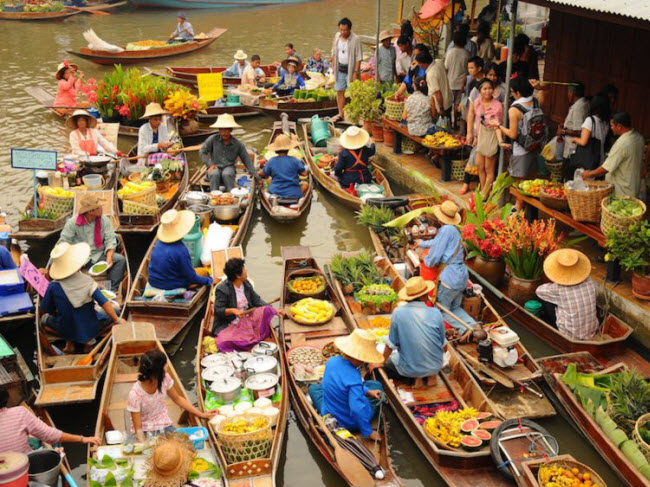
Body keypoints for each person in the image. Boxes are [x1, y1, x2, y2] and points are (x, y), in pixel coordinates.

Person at [40, 242, 125, 353]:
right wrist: (117, 320)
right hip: (89, 327)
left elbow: (47, 309)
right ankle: (89, 343)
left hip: (65, 327)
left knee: (45, 319)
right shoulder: (87, 282)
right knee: (115, 311)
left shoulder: (53, 286)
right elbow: (104, 303)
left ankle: (70, 343)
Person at [308, 329, 385, 441]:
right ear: (359, 358)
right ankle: (361, 426)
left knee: (313, 388)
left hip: (330, 413)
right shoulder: (354, 378)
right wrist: (368, 432)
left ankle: (325, 413)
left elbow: (343, 385)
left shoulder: (331, 361)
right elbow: (356, 409)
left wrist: (368, 391)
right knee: (376, 385)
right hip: (349, 422)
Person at [128, 350, 215, 440]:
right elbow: (138, 429)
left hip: (163, 425)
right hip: (146, 430)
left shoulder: (164, 379)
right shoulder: (135, 394)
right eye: (165, 364)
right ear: (159, 370)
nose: (167, 366)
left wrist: (201, 414)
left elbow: (177, 399)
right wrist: (143, 444)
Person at [376, 276, 446, 387]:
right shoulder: (436, 312)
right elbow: (443, 344)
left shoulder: (398, 313)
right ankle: (430, 376)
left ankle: (415, 379)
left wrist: (380, 362)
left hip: (411, 369)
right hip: (435, 366)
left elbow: (391, 344)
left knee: (388, 365)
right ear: (425, 295)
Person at [418, 201, 475, 333]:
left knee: (442, 310)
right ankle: (474, 325)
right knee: (455, 308)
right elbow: (437, 242)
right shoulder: (454, 230)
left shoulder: (445, 230)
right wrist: (423, 243)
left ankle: (465, 330)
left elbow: (433, 260)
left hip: (450, 278)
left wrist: (424, 258)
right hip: (461, 277)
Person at [0, 386, 100, 454]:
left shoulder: (20, 413)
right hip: (26, 470)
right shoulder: (20, 412)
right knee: (37, 441)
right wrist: (83, 439)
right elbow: (50, 435)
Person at [59, 193, 125, 292]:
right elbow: (63, 243)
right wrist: (73, 263)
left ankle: (111, 290)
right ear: (91, 211)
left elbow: (110, 239)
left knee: (120, 260)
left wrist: (109, 258)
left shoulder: (104, 220)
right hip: (78, 258)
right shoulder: (72, 223)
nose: (102, 209)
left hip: (97, 255)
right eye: (99, 208)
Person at [536, 249, 598, 340]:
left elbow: (539, 291)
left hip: (570, 334)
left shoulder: (558, 289)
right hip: (592, 331)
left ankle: (552, 326)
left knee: (547, 300)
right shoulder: (590, 282)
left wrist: (554, 283)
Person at [582, 112, 645, 197]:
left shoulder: (623, 143)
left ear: (619, 126)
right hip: (632, 187)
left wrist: (590, 174)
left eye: (612, 126)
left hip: (622, 191)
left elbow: (607, 167)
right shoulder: (639, 138)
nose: (611, 128)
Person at [147, 210, 213, 291]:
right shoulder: (180, 250)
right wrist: (209, 280)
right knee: (203, 272)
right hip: (172, 284)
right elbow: (192, 277)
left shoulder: (159, 243)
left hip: (153, 281)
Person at [493, 76, 540, 182]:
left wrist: (499, 126)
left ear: (518, 93)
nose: (512, 95)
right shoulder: (536, 102)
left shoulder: (515, 109)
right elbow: (546, 90)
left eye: (512, 92)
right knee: (531, 180)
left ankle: (519, 199)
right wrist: (539, 86)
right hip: (535, 146)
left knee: (518, 182)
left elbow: (513, 134)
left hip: (521, 150)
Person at [212, 257, 269, 334]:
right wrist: (233, 311)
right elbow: (218, 309)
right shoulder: (222, 289)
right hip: (228, 322)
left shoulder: (246, 284)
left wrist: (272, 309)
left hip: (245, 319)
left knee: (261, 329)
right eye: (244, 269)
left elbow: (256, 300)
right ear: (238, 276)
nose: (246, 271)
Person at [200, 114, 255, 192]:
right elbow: (202, 152)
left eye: (226, 130)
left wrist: (256, 176)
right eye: (221, 130)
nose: (223, 133)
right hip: (215, 166)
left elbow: (247, 160)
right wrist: (210, 164)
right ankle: (214, 195)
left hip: (229, 167)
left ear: (230, 130)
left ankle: (231, 194)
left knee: (227, 174)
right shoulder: (212, 139)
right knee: (214, 174)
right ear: (219, 130)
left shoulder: (237, 143)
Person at [467, 79, 503, 198]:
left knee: (489, 168)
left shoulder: (497, 106)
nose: (488, 91)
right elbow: (475, 117)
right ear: (479, 90)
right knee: (479, 166)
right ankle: (484, 191)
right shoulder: (477, 101)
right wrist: (473, 135)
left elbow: (498, 125)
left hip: (490, 135)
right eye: (485, 89)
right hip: (480, 135)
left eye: (490, 88)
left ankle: (484, 194)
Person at [331, 17, 362, 120]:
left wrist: (356, 72)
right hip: (339, 69)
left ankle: (355, 114)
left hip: (351, 70)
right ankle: (341, 114)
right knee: (339, 91)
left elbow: (358, 57)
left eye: (345, 30)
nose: (343, 32)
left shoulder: (355, 39)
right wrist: (333, 66)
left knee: (354, 93)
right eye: (341, 30)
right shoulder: (337, 36)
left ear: (350, 29)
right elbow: (334, 52)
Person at [259, 134, 306, 198]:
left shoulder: (271, 161)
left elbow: (263, 174)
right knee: (305, 185)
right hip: (294, 193)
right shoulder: (295, 160)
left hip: (275, 192)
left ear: (276, 150)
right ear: (288, 149)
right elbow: (304, 173)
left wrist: (257, 173)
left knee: (266, 188)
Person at [572, 94, 610, 166]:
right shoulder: (606, 122)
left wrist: (575, 139)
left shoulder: (590, 120)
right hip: (599, 159)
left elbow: (583, 142)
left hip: (588, 160)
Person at [556, 82, 589, 160]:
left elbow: (579, 131)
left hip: (573, 148)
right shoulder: (584, 103)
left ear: (572, 93)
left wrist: (563, 131)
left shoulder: (578, 108)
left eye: (568, 92)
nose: (568, 94)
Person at [445, 30, 471, 124]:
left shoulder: (450, 53)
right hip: (462, 83)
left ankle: (449, 122)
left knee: (449, 103)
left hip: (450, 82)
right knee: (458, 104)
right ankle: (455, 122)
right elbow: (468, 71)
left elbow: (446, 67)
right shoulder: (467, 54)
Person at [426, 57, 452, 122]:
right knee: (447, 123)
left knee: (441, 127)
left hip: (440, 105)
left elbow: (437, 92)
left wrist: (441, 108)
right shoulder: (439, 62)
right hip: (448, 99)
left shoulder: (431, 74)